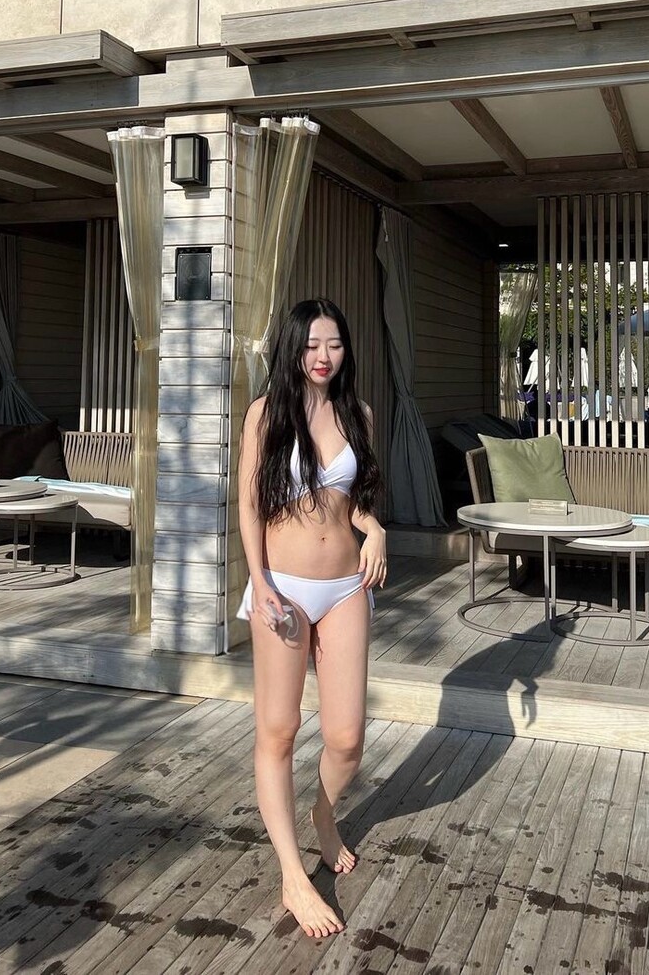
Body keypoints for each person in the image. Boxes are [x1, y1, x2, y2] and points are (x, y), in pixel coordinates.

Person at [237, 298, 386, 939]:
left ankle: (323, 815)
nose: (323, 357)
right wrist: (259, 581)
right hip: (285, 589)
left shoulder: (359, 414)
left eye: (335, 344)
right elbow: (249, 505)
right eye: (312, 345)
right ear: (293, 347)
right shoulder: (266, 414)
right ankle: (293, 876)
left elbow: (351, 503)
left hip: (347, 586)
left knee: (346, 738)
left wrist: (376, 528)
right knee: (279, 729)